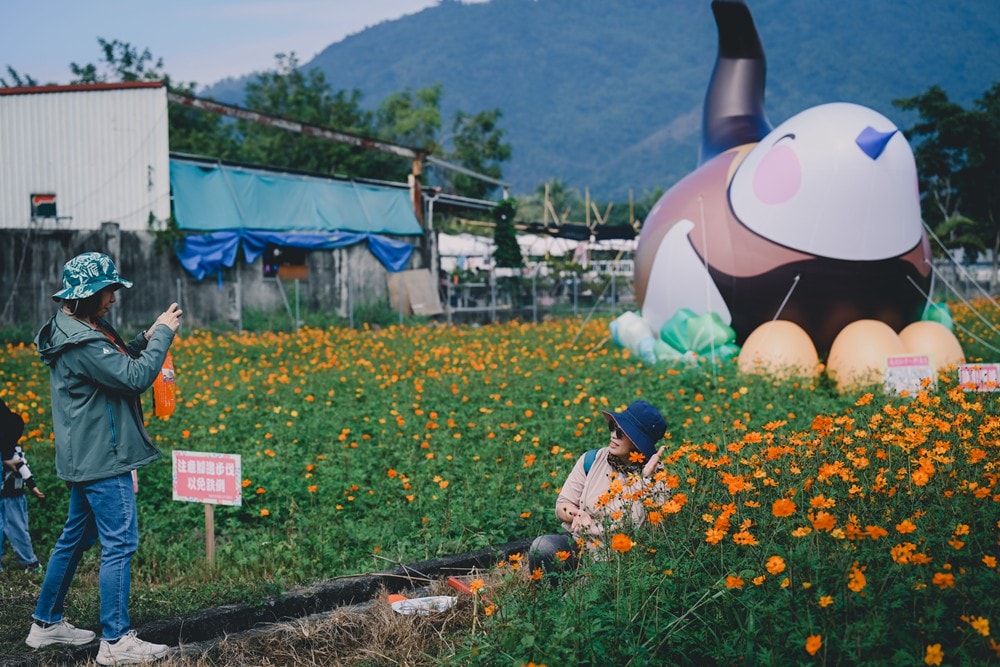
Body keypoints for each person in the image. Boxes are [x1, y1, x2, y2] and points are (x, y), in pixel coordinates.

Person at [25, 252, 182, 665]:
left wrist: (147, 337)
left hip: (87, 451)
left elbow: (117, 364)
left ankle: (46, 623)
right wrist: (164, 335)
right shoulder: (82, 339)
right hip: (103, 456)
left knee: (76, 537)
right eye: (109, 290)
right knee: (120, 542)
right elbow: (134, 376)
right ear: (88, 295)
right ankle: (116, 642)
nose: (114, 296)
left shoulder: (77, 326)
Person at [528, 399, 669, 575]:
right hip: (582, 548)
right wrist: (574, 514)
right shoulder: (592, 460)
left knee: (580, 595)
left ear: (639, 441)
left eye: (622, 432)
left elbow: (653, 531)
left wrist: (646, 481)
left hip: (621, 561)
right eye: (612, 427)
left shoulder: (658, 477)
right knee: (542, 546)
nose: (613, 435)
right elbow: (563, 504)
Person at [1, 396, 45, 572]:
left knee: (19, 530)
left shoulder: (14, 452)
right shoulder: (5, 450)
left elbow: (23, 469)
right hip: (4, 496)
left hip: (14, 496)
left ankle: (30, 562)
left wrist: (33, 487)